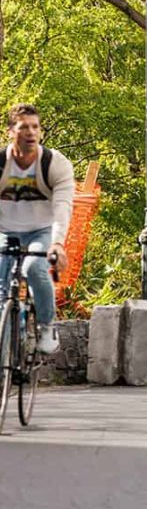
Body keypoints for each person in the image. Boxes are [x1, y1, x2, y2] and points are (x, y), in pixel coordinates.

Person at [0, 105, 74, 354]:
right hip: (5, 232)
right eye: (23, 127)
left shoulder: (54, 163)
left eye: (35, 127)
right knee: (1, 286)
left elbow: (63, 205)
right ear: (11, 131)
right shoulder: (2, 164)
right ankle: (8, 335)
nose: (31, 132)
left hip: (41, 231)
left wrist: (57, 243)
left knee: (34, 267)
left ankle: (46, 325)